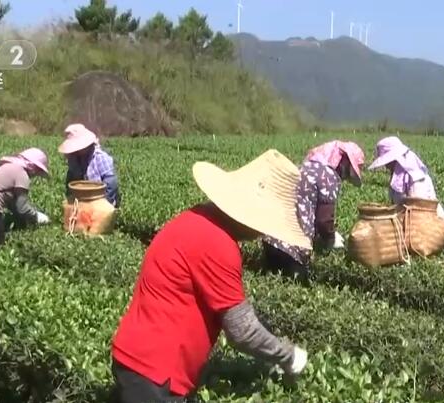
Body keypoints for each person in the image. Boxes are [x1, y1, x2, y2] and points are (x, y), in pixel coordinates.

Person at [110, 149, 310, 403]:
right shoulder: (217, 242)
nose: (261, 233)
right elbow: (242, 331)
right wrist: (288, 355)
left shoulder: (195, 219)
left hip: (137, 359)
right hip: (154, 373)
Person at [261, 140, 365, 285]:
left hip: (271, 238)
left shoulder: (305, 167)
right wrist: (330, 239)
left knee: (273, 284)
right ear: (343, 162)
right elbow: (324, 220)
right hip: (292, 244)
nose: (346, 177)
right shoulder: (328, 177)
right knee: (297, 288)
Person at [368, 136, 444, 221]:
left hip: (428, 225)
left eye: (387, 162)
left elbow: (418, 211)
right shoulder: (397, 177)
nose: (386, 166)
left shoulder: (416, 178)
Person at [58, 123, 121, 206]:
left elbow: (111, 183)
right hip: (83, 201)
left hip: (101, 199)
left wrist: (104, 203)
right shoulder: (74, 160)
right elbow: (70, 182)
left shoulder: (99, 157)